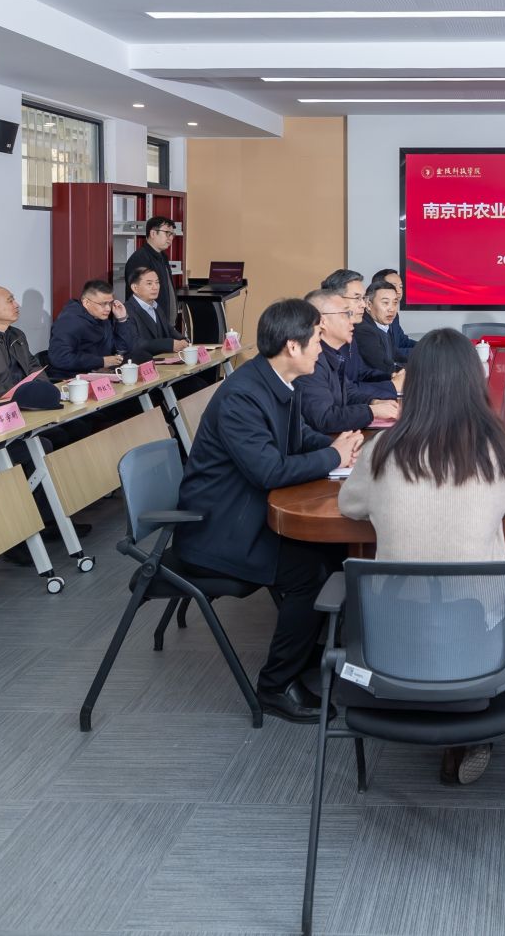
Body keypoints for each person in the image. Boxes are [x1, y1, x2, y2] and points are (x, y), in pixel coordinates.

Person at [338, 328, 505, 783]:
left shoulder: (381, 451)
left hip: (393, 625)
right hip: (480, 628)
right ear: (474, 383)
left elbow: (349, 506)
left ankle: (435, 708)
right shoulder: (495, 449)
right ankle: (473, 727)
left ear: (414, 385)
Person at [174, 298, 366, 723]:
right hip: (218, 528)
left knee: (332, 553)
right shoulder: (244, 396)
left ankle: (308, 647)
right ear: (292, 346)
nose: (321, 348)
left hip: (245, 512)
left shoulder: (277, 380)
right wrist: (333, 457)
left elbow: (298, 437)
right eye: (316, 339)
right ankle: (276, 686)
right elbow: (269, 471)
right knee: (309, 573)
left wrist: (339, 447)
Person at [298, 288, 401, 434]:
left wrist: (374, 402)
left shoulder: (333, 353)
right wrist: (372, 411)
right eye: (346, 314)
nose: (352, 320)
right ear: (322, 321)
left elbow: (348, 392)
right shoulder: (311, 360)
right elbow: (323, 419)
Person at [47, 279, 132, 380]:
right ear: (86, 303)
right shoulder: (69, 321)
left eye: (110, 303)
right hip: (70, 379)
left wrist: (122, 320)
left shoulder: (100, 317)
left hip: (98, 374)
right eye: (103, 304)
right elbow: (60, 358)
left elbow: (120, 349)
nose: (108, 309)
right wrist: (101, 362)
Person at [124, 265, 190, 362]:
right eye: (149, 283)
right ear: (135, 288)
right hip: (140, 364)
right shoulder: (126, 311)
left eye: (157, 282)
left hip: (162, 361)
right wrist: (169, 344)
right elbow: (136, 343)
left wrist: (183, 340)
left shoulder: (156, 306)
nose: (155, 287)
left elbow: (169, 329)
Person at [125, 215, 180, 330]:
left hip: (164, 324)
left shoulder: (162, 256)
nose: (171, 238)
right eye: (167, 233)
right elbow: (140, 296)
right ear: (153, 233)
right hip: (149, 326)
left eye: (172, 234)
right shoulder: (140, 258)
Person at [354, 278, 407, 376]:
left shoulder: (382, 324)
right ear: (368, 305)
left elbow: (395, 354)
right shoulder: (364, 330)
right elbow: (383, 367)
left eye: (395, 303)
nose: (392, 309)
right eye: (385, 303)